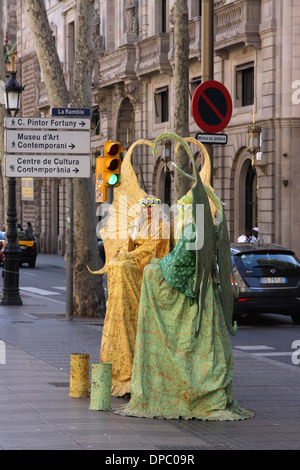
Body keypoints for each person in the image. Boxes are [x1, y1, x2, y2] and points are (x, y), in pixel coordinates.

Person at [115, 190, 254, 421]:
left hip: (191, 292)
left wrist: (156, 267)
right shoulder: (202, 229)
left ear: (188, 211)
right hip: (205, 293)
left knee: (151, 274)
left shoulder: (190, 231)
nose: (177, 214)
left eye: (181, 210)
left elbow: (179, 261)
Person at [99, 196, 170, 397]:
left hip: (148, 266)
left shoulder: (162, 227)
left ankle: (129, 295)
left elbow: (152, 250)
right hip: (133, 261)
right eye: (145, 208)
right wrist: (122, 253)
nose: (147, 212)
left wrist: (131, 256)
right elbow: (126, 246)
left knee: (122, 266)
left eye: (151, 209)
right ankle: (117, 300)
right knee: (115, 264)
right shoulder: (136, 226)